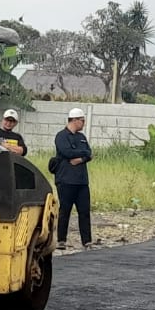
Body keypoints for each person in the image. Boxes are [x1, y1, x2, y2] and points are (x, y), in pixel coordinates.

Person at [54, 106, 94, 249]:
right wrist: (81, 153)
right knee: (65, 210)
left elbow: (89, 153)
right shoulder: (61, 136)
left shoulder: (82, 137)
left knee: (84, 211)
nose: (83, 124)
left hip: (82, 181)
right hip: (66, 180)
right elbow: (66, 152)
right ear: (75, 120)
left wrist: (81, 158)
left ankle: (87, 240)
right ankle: (61, 240)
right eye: (82, 121)